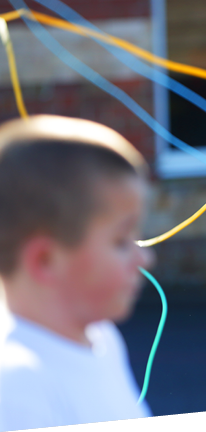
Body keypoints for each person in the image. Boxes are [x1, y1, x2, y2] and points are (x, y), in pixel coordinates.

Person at [0, 115, 154, 431]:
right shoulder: (16, 387)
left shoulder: (103, 339)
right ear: (45, 260)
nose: (144, 259)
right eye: (121, 241)